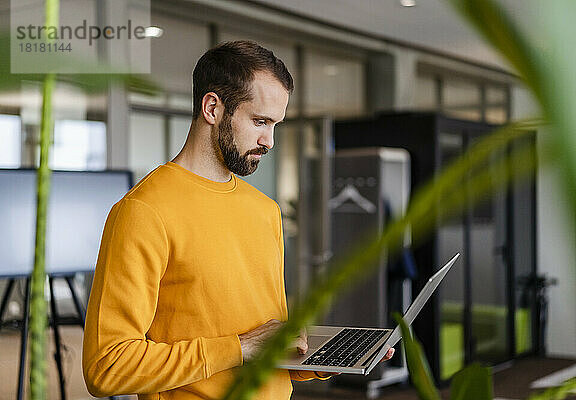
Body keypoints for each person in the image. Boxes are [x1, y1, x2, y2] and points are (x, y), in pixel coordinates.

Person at [82, 40, 393, 400]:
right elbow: (107, 366)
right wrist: (237, 347)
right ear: (212, 108)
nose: (270, 141)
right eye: (260, 121)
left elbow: (264, 345)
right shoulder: (143, 212)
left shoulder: (265, 210)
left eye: (275, 124)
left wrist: (321, 359)